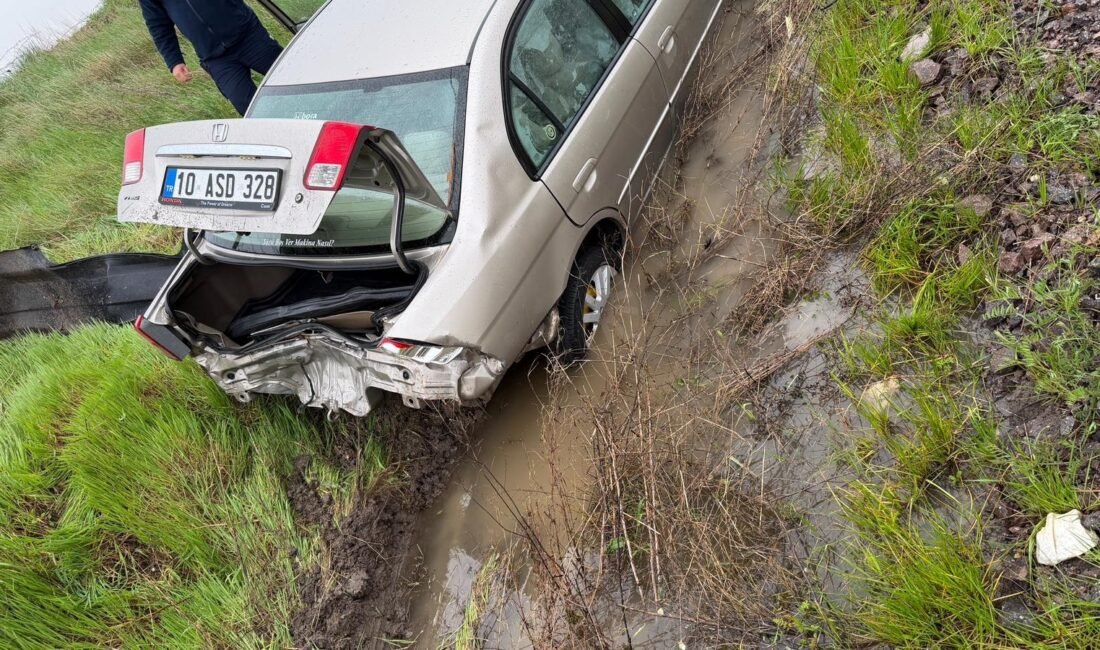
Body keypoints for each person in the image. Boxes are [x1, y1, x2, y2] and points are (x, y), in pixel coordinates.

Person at [138, 0, 283, 115]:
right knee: (247, 106)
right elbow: (158, 24)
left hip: (247, 36)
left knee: (289, 77)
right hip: (216, 59)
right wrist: (174, 61)